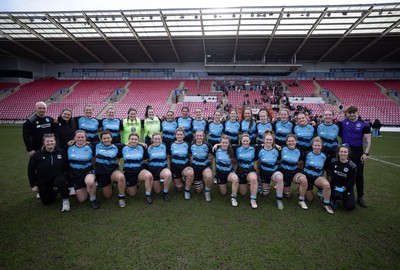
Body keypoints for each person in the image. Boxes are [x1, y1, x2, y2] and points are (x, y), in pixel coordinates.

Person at [337, 105, 371, 208]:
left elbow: (368, 140)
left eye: (353, 112)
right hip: (344, 152)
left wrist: (366, 153)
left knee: (359, 175)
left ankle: (360, 197)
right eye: (349, 112)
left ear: (357, 112)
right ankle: (342, 193)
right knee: (342, 173)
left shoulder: (364, 124)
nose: (351, 114)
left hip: (357, 152)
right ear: (346, 113)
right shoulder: (342, 123)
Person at [27, 133, 70, 212]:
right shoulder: (36, 155)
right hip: (43, 179)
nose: (50, 143)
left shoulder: (62, 152)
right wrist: (33, 185)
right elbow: (30, 170)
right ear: (44, 142)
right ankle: (55, 191)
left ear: (55, 141)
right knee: (47, 202)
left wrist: (66, 177)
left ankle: (65, 201)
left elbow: (67, 166)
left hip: (58, 177)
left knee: (61, 181)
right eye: (47, 141)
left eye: (51, 141)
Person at [94, 131, 127, 208]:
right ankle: (110, 184)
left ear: (111, 138)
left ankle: (121, 198)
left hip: (112, 171)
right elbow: (83, 141)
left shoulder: (116, 146)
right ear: (101, 139)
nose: (106, 140)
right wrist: (74, 141)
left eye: (108, 138)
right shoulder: (96, 146)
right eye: (104, 138)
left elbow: (131, 142)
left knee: (121, 177)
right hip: (101, 172)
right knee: (107, 196)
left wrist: (141, 143)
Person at [67, 130, 99, 209]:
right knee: (82, 199)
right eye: (78, 137)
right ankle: (86, 187)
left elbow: (94, 160)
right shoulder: (69, 147)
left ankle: (93, 198)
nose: (80, 139)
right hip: (76, 174)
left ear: (85, 138)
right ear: (74, 138)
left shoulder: (90, 146)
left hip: (87, 171)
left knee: (90, 182)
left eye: (82, 137)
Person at [302, 137, 334, 214]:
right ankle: (304, 189)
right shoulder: (307, 153)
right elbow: (301, 163)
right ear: (312, 145)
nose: (317, 147)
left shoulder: (324, 156)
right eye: (315, 145)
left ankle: (326, 204)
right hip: (307, 177)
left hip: (317, 177)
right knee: (310, 199)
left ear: (321, 146)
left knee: (326, 185)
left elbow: (327, 168)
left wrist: (328, 177)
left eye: (319, 146)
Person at [122, 133, 154, 204]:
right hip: (129, 172)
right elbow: (116, 156)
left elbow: (147, 159)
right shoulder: (123, 148)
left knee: (149, 176)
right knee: (132, 194)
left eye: (136, 139)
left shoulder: (142, 147)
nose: (134, 141)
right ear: (128, 140)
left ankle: (148, 195)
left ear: (138, 140)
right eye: (132, 139)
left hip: (140, 170)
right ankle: (128, 184)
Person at [257, 130, 285, 210]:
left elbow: (279, 161)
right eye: (267, 139)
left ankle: (279, 199)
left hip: (273, 172)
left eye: (270, 140)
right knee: (265, 194)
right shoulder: (259, 149)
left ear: (273, 141)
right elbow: (257, 163)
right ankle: (264, 185)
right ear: (263, 140)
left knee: (280, 177)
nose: (268, 141)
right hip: (264, 173)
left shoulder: (277, 150)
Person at [280, 134, 309, 210]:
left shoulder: (299, 150)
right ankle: (282, 186)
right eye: (289, 141)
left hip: (294, 172)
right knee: (287, 196)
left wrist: (302, 171)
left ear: (296, 141)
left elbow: (301, 162)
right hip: (284, 173)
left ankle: (301, 200)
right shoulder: (282, 149)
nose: (291, 142)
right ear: (286, 142)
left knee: (303, 179)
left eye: (293, 141)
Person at [53, 108, 77, 196]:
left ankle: (72, 186)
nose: (66, 116)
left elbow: (76, 135)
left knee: (70, 167)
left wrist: (74, 141)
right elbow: (55, 136)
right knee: (62, 168)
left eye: (68, 114)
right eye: (65, 114)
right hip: (60, 149)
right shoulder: (55, 123)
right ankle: (60, 186)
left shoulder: (73, 123)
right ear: (61, 114)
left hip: (71, 149)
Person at [234, 133, 259, 209]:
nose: (245, 142)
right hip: (240, 171)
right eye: (243, 141)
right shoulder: (237, 148)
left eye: (247, 141)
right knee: (243, 193)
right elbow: (225, 144)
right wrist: (217, 145)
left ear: (249, 141)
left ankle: (253, 199)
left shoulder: (254, 148)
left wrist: (275, 145)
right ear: (241, 141)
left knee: (254, 179)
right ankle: (247, 184)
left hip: (249, 170)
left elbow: (267, 144)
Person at [213, 135, 239, 206]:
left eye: (226, 143)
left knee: (235, 179)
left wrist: (235, 171)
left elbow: (234, 162)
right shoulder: (216, 149)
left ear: (229, 143)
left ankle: (233, 197)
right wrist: (216, 144)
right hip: (220, 173)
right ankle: (222, 181)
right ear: (220, 143)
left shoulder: (232, 149)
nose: (224, 144)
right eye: (223, 142)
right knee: (223, 193)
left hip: (229, 173)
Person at [147, 132, 173, 202]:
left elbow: (167, 156)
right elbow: (146, 160)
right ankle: (154, 181)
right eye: (155, 139)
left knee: (168, 174)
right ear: (152, 139)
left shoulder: (164, 146)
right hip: (153, 171)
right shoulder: (149, 148)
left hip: (162, 169)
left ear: (161, 139)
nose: (157, 140)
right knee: (157, 191)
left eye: (159, 139)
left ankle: (165, 192)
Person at [170, 127, 195, 199]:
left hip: (185, 167)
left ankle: (187, 190)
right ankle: (183, 179)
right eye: (178, 134)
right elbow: (170, 157)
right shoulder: (171, 144)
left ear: (184, 135)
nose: (179, 136)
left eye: (181, 134)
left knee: (190, 173)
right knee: (179, 189)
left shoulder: (187, 144)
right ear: (175, 135)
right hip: (175, 168)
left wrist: (190, 166)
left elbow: (190, 156)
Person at [330, 145, 357, 211]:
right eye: (341, 152)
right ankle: (333, 199)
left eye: (345, 152)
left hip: (346, 188)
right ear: (338, 153)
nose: (343, 154)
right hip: (335, 186)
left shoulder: (352, 166)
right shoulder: (333, 161)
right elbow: (332, 177)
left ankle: (344, 196)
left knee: (350, 206)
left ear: (348, 153)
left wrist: (345, 188)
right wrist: (334, 187)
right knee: (336, 195)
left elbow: (352, 181)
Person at [189, 130, 214, 201]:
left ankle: (207, 191)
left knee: (209, 176)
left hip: (205, 167)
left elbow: (212, 155)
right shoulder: (191, 145)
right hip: (196, 168)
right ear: (195, 137)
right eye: (197, 136)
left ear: (203, 137)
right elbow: (190, 156)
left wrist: (210, 161)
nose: (199, 137)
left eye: (200, 136)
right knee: (198, 191)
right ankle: (201, 180)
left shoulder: (207, 145)